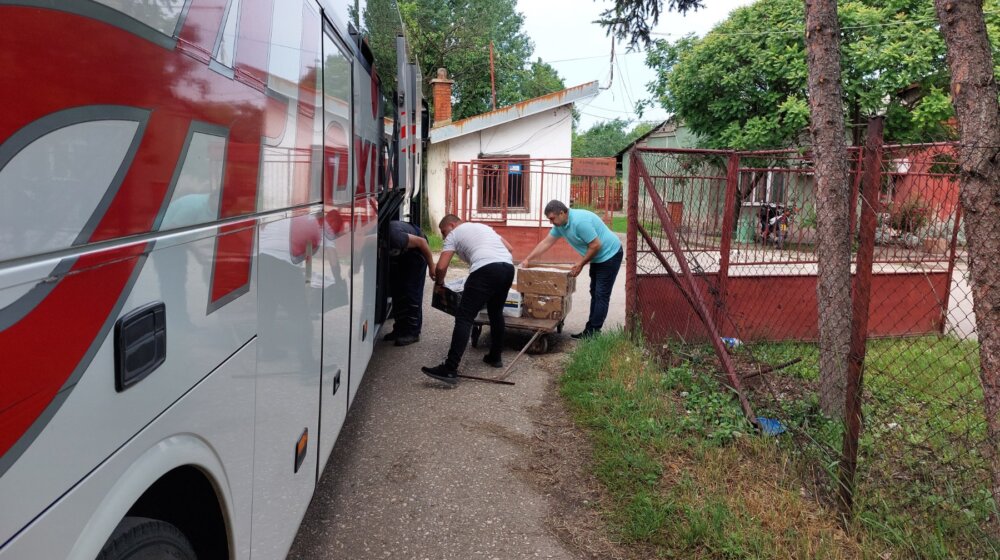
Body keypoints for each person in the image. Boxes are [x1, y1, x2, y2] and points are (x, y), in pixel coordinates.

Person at [422, 215, 515, 385]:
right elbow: (509, 248)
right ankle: (495, 357)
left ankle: (450, 369)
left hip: (485, 270)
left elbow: (441, 266)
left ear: (451, 225)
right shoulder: (483, 227)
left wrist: (440, 284)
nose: (444, 237)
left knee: (464, 317)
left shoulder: (454, 234)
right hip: (507, 268)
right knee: (496, 313)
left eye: (443, 232)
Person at [520, 200, 623, 339]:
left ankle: (593, 332)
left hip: (610, 255)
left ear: (562, 213)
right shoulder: (561, 225)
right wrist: (528, 259)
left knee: (601, 294)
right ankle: (590, 330)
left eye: (552, 218)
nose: (551, 222)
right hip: (597, 257)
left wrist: (580, 264)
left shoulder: (580, 222)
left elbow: (596, 245)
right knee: (595, 292)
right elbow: (546, 242)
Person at [384, 220, 436, 346]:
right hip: (403, 253)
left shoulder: (394, 237)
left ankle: (413, 332)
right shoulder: (372, 238)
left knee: (411, 292)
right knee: (398, 290)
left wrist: (431, 267)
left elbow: (422, 243)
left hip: (418, 251)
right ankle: (400, 329)